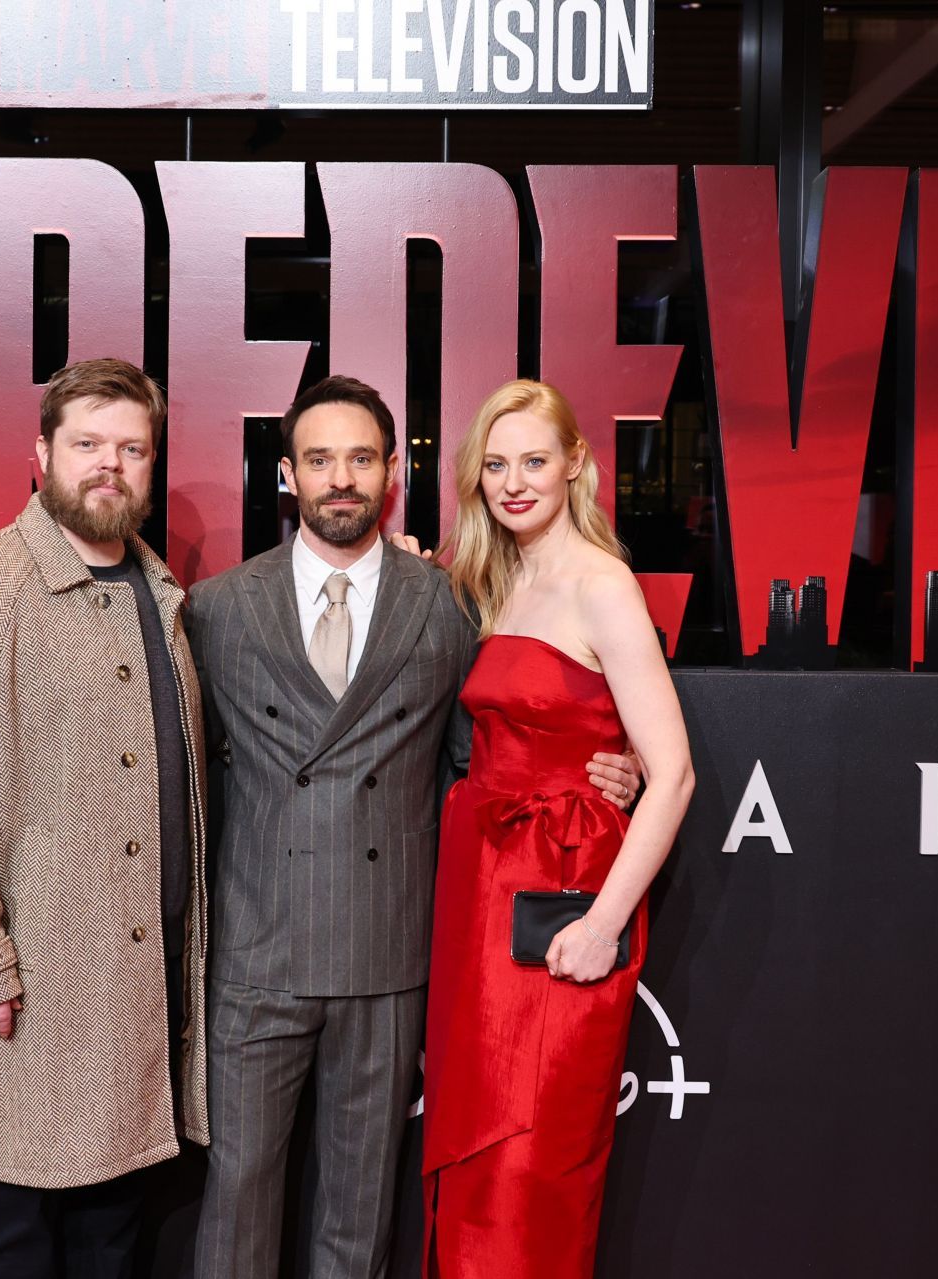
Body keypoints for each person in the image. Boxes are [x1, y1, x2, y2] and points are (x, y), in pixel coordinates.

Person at [188, 376, 641, 1279]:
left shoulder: (449, 603)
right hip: (256, 953)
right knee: (237, 1206)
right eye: (319, 460)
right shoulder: (216, 610)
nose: (341, 479)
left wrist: (605, 767)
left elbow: (491, 750)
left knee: (359, 1217)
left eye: (361, 458)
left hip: (387, 957)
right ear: (287, 475)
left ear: (392, 473)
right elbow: (186, 778)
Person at [0, 357, 209, 1279]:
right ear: (42, 455)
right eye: (87, 445)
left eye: (131, 448)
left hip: (133, 1005)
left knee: (110, 1245)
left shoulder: (161, 595)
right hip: (23, 1004)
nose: (110, 465)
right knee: (10, 1246)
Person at [420, 379, 696, 1279]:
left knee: (531, 1161)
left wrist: (604, 923)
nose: (513, 482)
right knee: (474, 1151)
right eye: (495, 465)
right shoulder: (496, 578)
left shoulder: (603, 584)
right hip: (481, 889)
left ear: (577, 462)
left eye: (534, 460)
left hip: (561, 893)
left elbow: (673, 774)